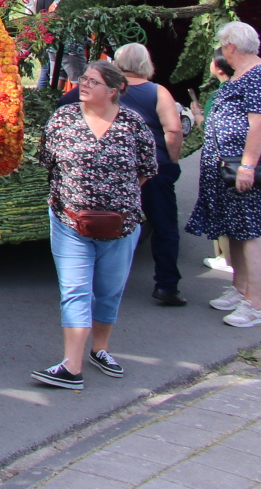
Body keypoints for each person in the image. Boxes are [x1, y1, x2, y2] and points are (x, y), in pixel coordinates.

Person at [32, 59, 158, 390]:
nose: (83, 85)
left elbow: (146, 170)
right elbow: (48, 162)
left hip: (120, 226)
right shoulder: (62, 119)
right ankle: (72, 366)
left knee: (109, 289)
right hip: (69, 221)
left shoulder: (133, 125)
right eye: (83, 79)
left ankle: (100, 349)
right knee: (75, 290)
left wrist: (115, 202)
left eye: (92, 82)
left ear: (115, 91)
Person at [60, 44, 185, 305]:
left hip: (109, 171)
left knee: (101, 223)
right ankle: (167, 285)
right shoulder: (157, 92)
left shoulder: (102, 87)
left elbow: (63, 105)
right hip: (154, 169)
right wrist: (171, 160)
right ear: (145, 64)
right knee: (163, 225)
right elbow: (173, 130)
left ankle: (96, 286)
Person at [186, 21, 261, 328]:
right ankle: (240, 289)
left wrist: (247, 165)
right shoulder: (245, 73)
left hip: (241, 167)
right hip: (225, 165)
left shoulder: (259, 75)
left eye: (223, 47)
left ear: (231, 47)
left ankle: (254, 305)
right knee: (236, 231)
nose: (222, 52)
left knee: (252, 232)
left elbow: (259, 125)